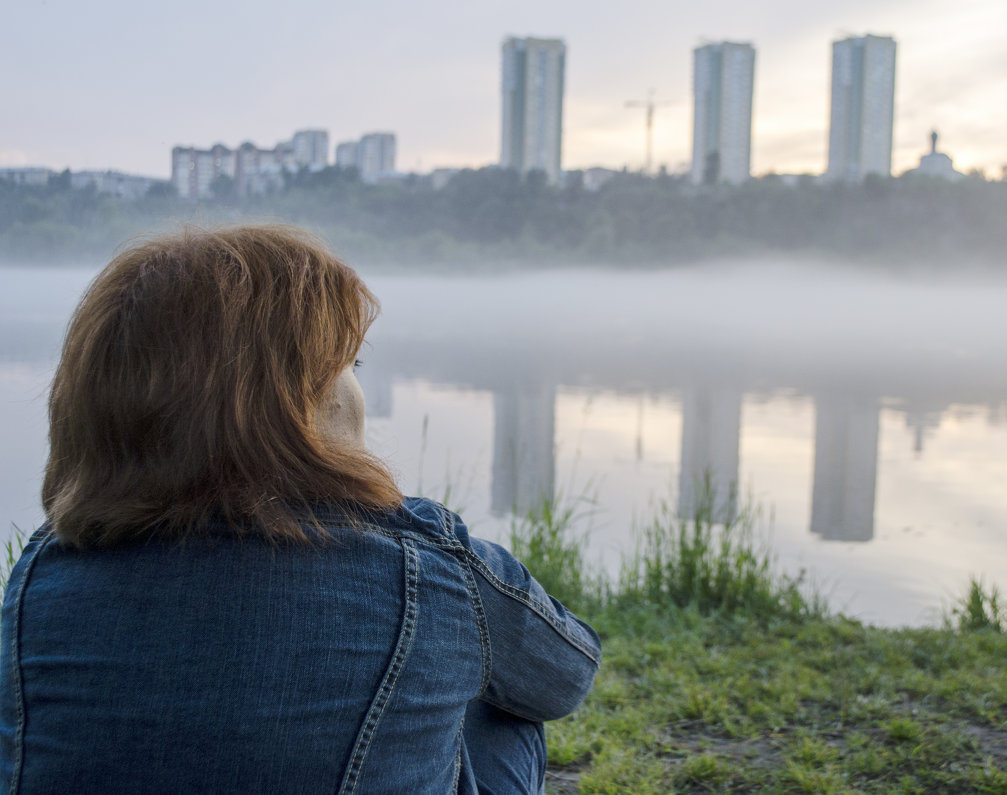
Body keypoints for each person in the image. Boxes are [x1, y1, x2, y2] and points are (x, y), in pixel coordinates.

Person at [0, 225, 600, 793]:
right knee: (499, 701)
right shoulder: (427, 569)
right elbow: (564, 678)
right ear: (294, 403)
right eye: (351, 365)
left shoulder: (43, 574)